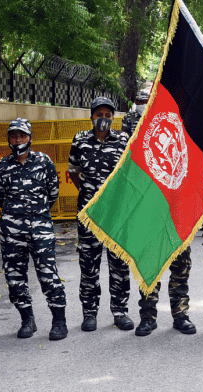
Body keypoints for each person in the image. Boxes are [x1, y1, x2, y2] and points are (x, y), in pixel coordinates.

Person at [0, 118, 68, 340]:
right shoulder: (0, 168)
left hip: (41, 229)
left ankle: (59, 322)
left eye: (22, 135)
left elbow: (53, 193)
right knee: (15, 277)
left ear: (30, 137)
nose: (18, 140)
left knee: (48, 275)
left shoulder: (44, 162)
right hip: (12, 232)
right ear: (9, 139)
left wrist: (36, 215)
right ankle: (27, 320)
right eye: (14, 136)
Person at [68, 97, 134, 332]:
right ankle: (89, 313)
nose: (103, 119)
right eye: (99, 114)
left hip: (117, 214)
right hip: (89, 214)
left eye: (108, 115)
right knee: (89, 264)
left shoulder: (123, 140)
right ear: (91, 117)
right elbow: (74, 171)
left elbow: (129, 173)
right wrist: (90, 194)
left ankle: (120, 311)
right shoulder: (80, 140)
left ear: (113, 118)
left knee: (119, 265)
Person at [135, 248, 196, 336]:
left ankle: (181, 316)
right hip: (151, 236)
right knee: (148, 273)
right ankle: (148, 317)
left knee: (180, 271)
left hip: (176, 235)